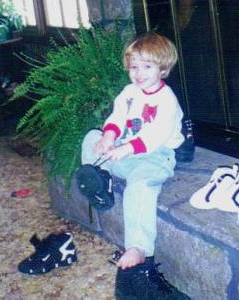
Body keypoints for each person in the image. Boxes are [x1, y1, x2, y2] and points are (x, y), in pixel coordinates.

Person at [81, 32, 184, 269]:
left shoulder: (167, 100)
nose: (138, 73)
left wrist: (127, 148)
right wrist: (109, 136)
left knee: (140, 186)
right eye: (134, 67)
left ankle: (137, 247)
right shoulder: (129, 92)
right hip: (124, 152)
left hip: (155, 157)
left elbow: (156, 134)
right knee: (91, 138)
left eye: (147, 66)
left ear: (163, 68)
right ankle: (100, 180)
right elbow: (117, 115)